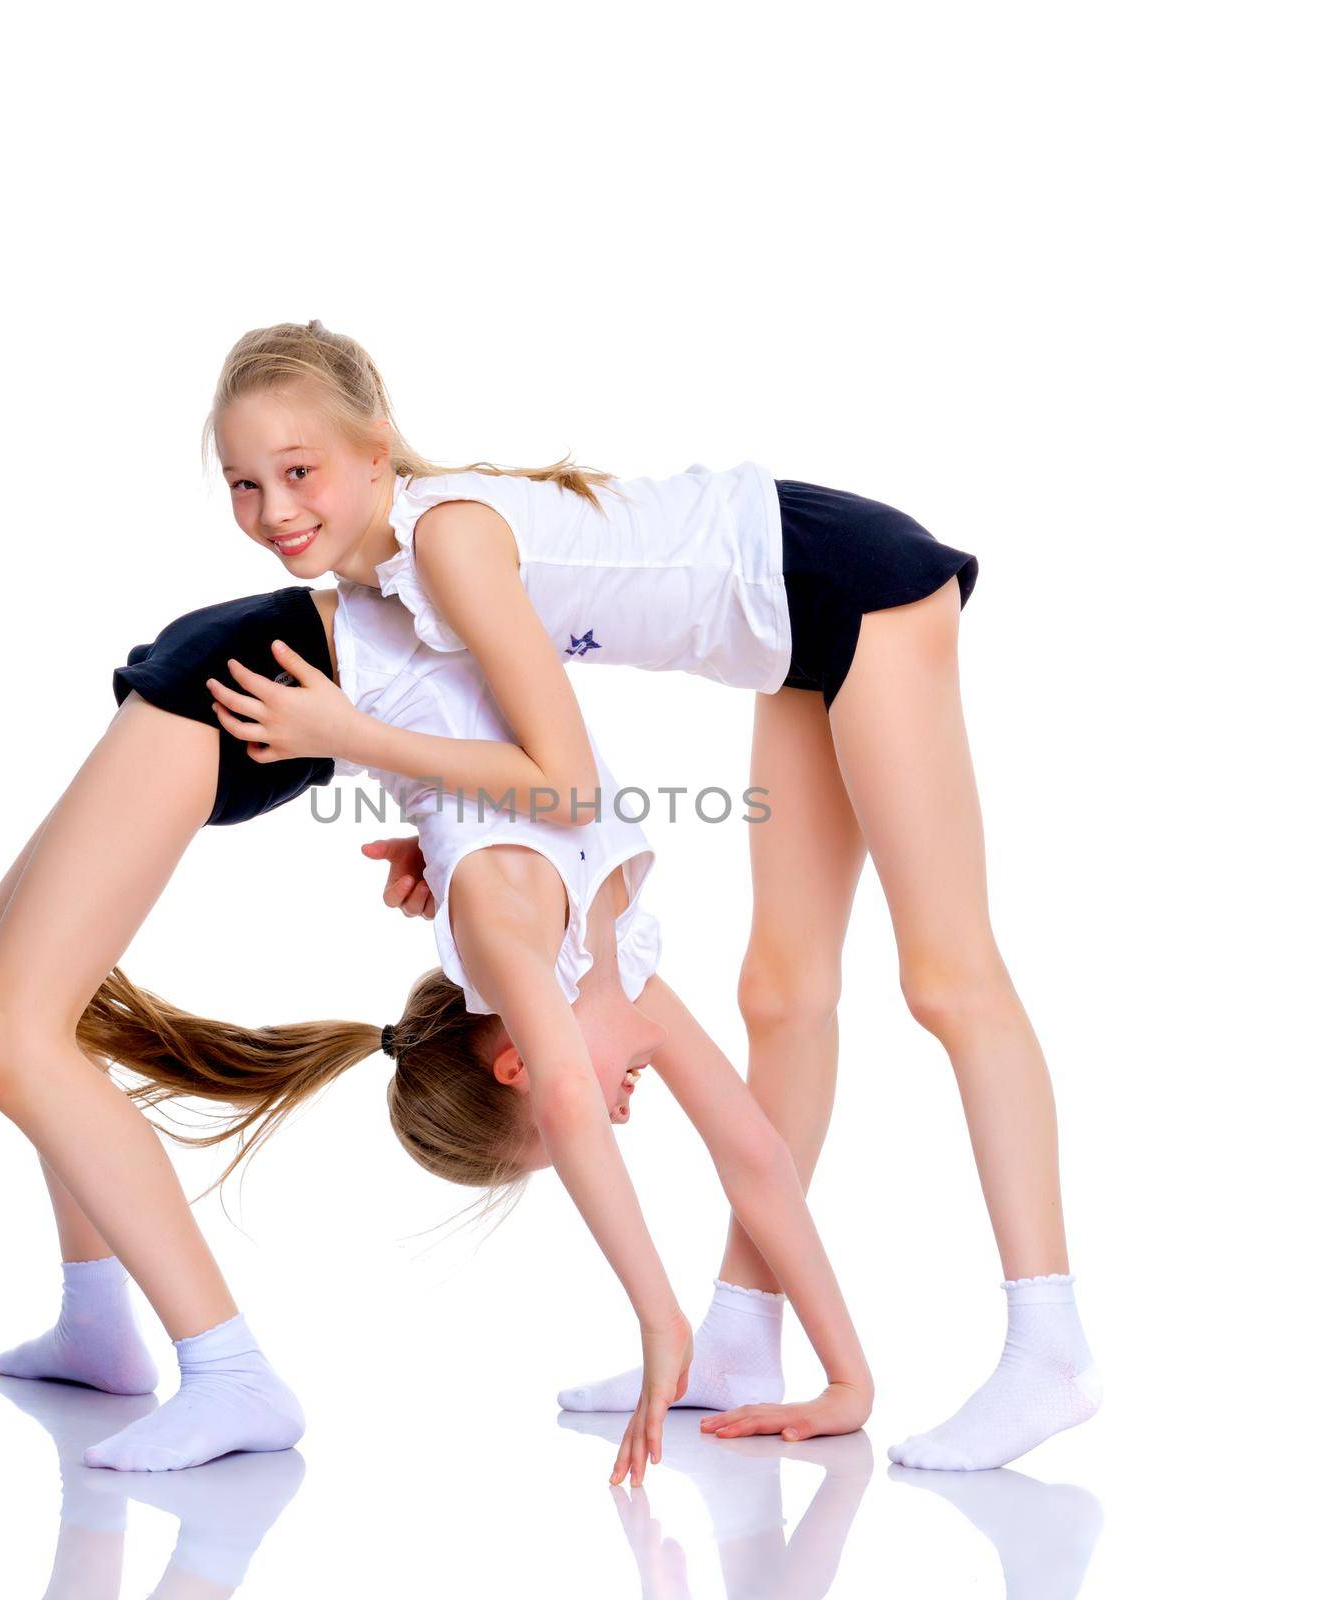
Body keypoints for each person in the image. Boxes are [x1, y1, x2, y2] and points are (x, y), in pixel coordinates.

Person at [195, 318, 1102, 1471]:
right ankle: (740, 1337)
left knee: (945, 973)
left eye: (297, 471)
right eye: (242, 484)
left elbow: (564, 784)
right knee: (780, 994)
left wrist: (345, 733)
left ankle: (1049, 1342)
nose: (274, 509)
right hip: (788, 635)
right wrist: (439, 823)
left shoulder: (449, 542)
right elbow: (482, 740)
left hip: (848, 583)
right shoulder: (390, 587)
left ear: (376, 451)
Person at [0, 578, 872, 1486]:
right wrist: (736, 1341)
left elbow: (658, 1120)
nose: (617, 1115)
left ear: (519, 1058)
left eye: (584, 1123)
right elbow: (752, 1147)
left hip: (260, 680)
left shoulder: (513, 933)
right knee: (13, 986)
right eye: (589, 1122)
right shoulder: (607, 950)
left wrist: (781, 1356)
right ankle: (167, 1347)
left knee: (14, 1009)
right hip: (291, 670)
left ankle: (160, 1346)